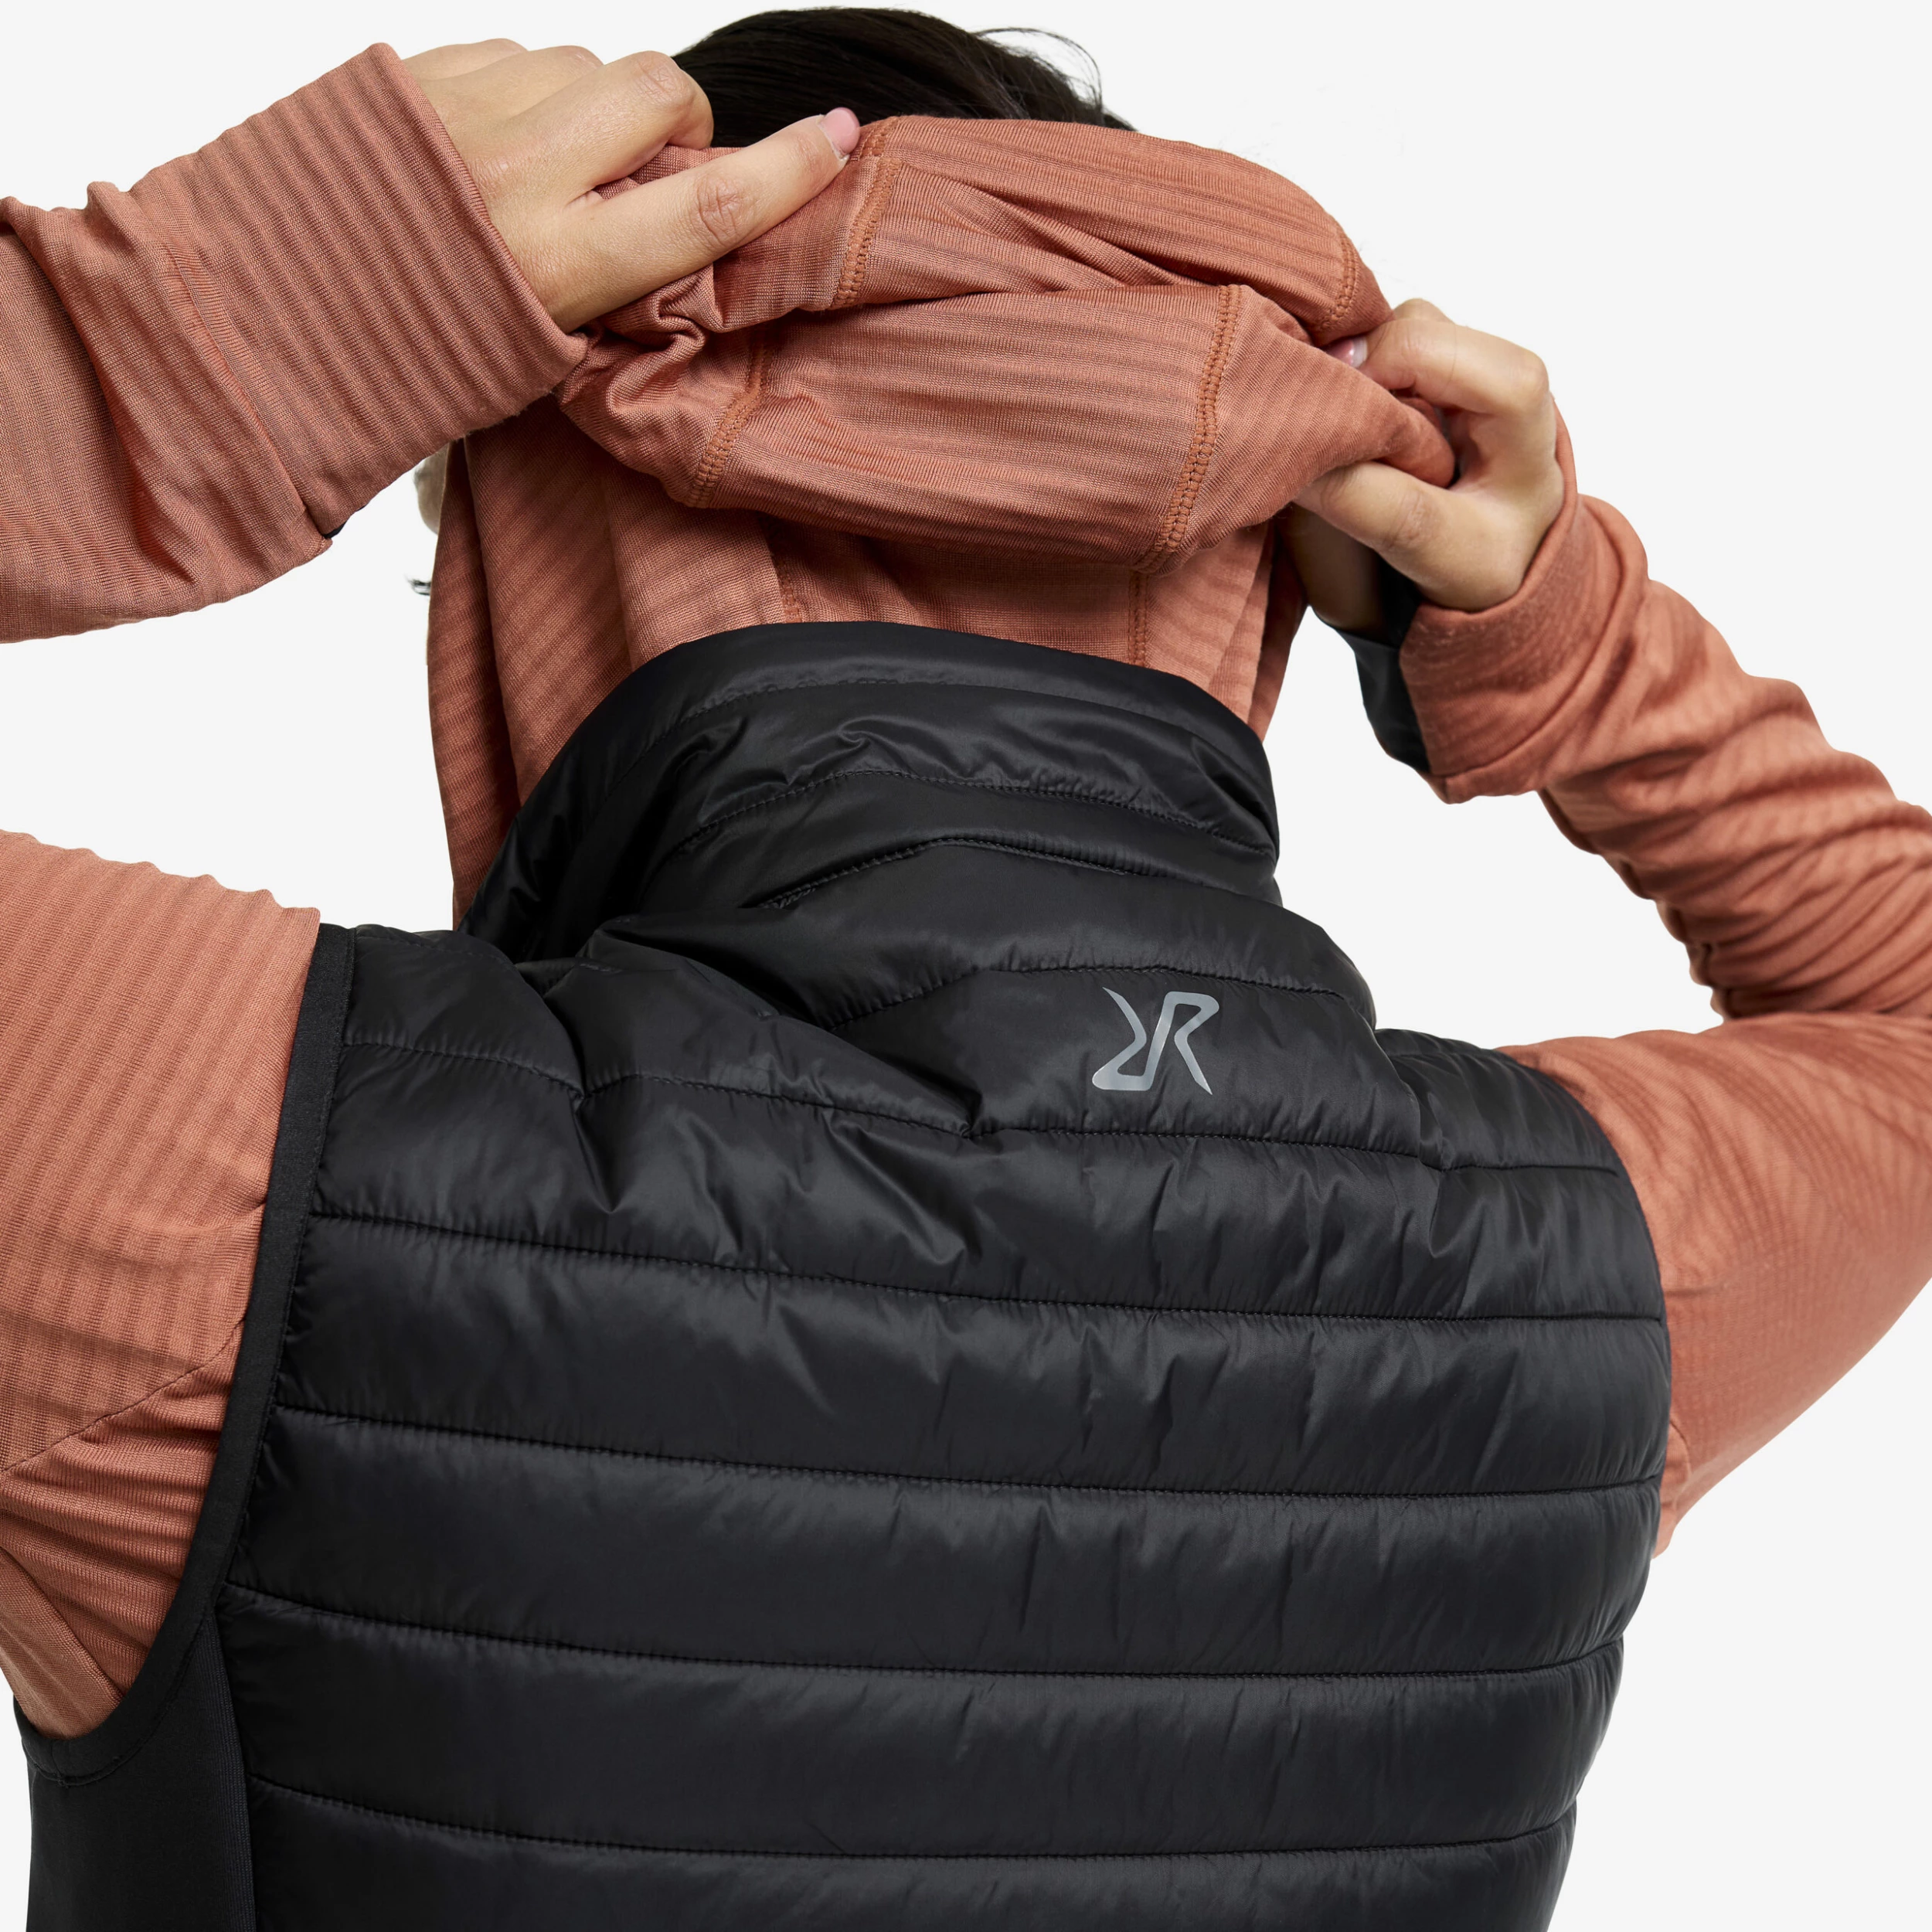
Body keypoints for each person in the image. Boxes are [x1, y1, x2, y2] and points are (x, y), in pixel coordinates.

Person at [1, 12, 1927, 1929]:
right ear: (1264, 538)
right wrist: (1550, 629)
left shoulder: (221, 1195)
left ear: (513, 510)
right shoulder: (1572, 1277)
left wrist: (201, 348)